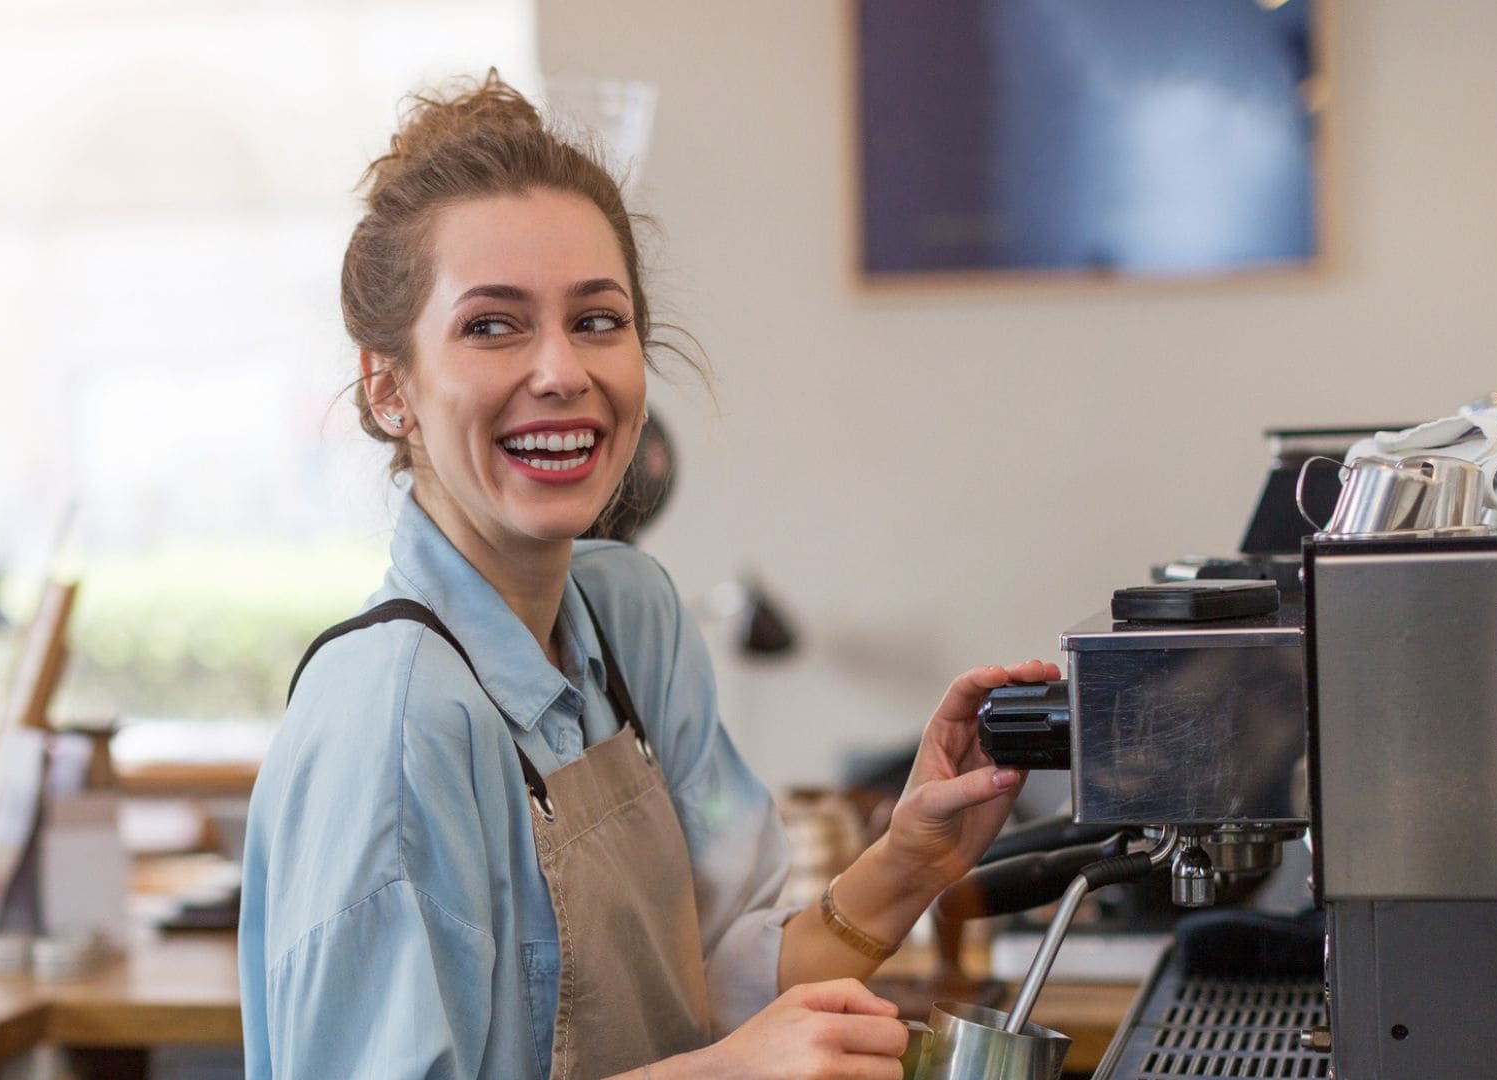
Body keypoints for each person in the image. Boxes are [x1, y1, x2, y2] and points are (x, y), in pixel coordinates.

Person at [237, 72, 1059, 1080]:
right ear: (390, 386)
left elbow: (721, 981)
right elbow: (730, 1055)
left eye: (596, 320)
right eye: (492, 325)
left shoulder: (632, 622)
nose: (561, 372)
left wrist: (909, 862)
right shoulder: (394, 719)